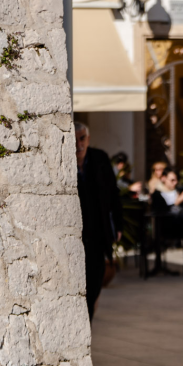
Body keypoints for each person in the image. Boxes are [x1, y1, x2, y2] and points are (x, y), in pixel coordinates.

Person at [75, 121, 123, 319]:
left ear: (88, 139)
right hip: (76, 235)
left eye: (82, 138)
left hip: (97, 233)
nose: (78, 144)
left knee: (95, 284)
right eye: (74, 139)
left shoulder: (100, 159)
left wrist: (118, 224)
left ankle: (88, 322)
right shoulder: (63, 162)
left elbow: (114, 194)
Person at [150, 168, 183, 276]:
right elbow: (161, 212)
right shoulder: (157, 194)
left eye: (176, 180)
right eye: (172, 180)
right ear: (163, 179)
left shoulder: (180, 191)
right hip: (165, 227)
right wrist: (176, 204)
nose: (175, 183)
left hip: (181, 226)